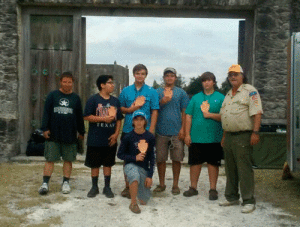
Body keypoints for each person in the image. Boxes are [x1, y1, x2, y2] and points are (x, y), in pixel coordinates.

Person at [219, 64, 263, 213]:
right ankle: (231, 197)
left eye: (236, 74)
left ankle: (249, 200)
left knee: (244, 168)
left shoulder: (250, 91)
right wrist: (224, 136)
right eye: (230, 74)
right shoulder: (228, 94)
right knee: (230, 168)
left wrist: (255, 133)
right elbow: (226, 116)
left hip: (244, 135)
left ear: (242, 76)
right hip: (229, 136)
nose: (233, 77)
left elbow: (257, 112)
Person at [38, 72, 85, 195]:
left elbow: (79, 116)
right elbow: (46, 113)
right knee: (50, 159)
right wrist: (44, 128)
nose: (67, 84)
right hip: (53, 134)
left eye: (69, 82)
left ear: (72, 83)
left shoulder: (76, 98)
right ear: (60, 82)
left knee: (68, 160)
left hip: (70, 134)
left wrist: (81, 132)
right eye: (65, 82)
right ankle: (45, 184)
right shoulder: (53, 96)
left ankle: (66, 183)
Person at [119, 64, 159, 198]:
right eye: (137, 73)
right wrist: (130, 109)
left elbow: (154, 111)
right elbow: (120, 109)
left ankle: (142, 184)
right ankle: (128, 186)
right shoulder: (126, 91)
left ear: (146, 75)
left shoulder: (151, 92)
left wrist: (151, 129)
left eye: (142, 73)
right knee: (128, 158)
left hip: (145, 131)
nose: (140, 76)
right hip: (129, 130)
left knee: (145, 158)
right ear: (133, 74)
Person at [183, 72, 225, 200]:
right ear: (202, 83)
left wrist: (210, 115)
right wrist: (187, 134)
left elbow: (225, 117)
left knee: (213, 164)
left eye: (209, 80)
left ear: (214, 82)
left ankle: (213, 189)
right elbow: (188, 116)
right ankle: (193, 187)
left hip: (214, 137)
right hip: (196, 137)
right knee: (195, 163)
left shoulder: (221, 97)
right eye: (204, 81)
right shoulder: (195, 98)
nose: (206, 83)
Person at [83, 75, 123, 198]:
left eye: (112, 82)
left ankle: (107, 187)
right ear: (102, 85)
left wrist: (116, 134)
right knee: (94, 164)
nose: (112, 85)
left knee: (108, 164)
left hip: (110, 138)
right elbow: (86, 116)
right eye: (110, 83)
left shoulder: (115, 101)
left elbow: (119, 119)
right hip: (95, 138)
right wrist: (103, 119)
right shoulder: (93, 100)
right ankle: (94, 187)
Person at [153, 67, 189, 195]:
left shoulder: (181, 93)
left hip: (176, 131)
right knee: (160, 159)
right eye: (167, 75)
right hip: (160, 131)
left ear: (175, 78)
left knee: (176, 159)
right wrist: (162, 101)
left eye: (172, 75)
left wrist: (183, 129)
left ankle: (175, 184)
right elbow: (153, 109)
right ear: (163, 78)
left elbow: (185, 112)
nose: (169, 78)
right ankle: (162, 184)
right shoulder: (157, 92)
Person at [117, 111, 155, 214]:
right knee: (134, 175)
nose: (139, 122)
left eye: (141, 119)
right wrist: (134, 157)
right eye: (136, 119)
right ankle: (133, 203)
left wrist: (150, 176)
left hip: (143, 168)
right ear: (133, 121)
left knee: (144, 201)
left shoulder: (150, 137)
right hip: (130, 165)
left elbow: (152, 158)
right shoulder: (128, 137)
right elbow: (120, 155)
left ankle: (137, 191)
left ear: (145, 121)